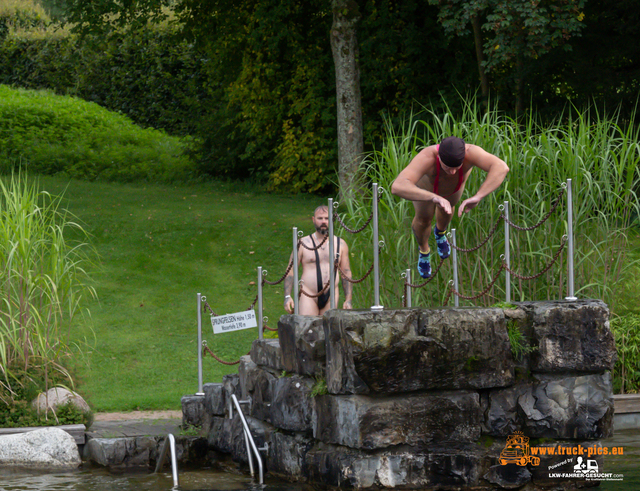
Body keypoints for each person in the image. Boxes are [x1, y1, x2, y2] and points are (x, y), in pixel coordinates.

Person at [391, 136, 509, 278]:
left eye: (457, 168)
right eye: (447, 167)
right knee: (424, 219)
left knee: (447, 209)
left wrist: (479, 196)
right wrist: (434, 197)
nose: (452, 172)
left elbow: (501, 167)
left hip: (453, 190)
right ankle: (424, 250)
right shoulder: (427, 157)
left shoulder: (471, 153)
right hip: (426, 192)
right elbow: (397, 186)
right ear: (440, 158)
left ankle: (440, 233)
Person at [283, 205, 353, 315]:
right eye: (320, 218)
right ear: (313, 220)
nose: (323, 222)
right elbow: (290, 270)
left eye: (326, 218)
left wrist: (348, 299)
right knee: (309, 328)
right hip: (308, 294)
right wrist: (287, 296)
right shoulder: (303, 243)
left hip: (331, 295)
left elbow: (346, 272)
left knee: (327, 330)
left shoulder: (340, 244)